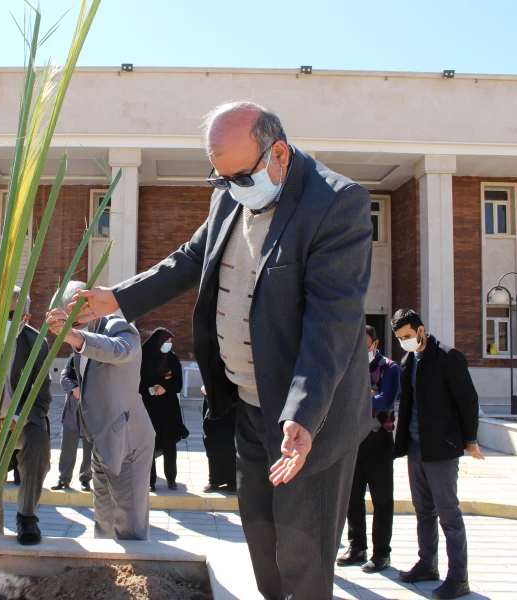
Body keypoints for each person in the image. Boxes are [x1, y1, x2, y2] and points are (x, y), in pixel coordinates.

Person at [70, 101, 373, 598]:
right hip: (251, 405)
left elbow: (332, 324)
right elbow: (191, 259)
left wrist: (303, 413)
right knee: (260, 532)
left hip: (309, 418)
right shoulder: (233, 192)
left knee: (303, 555)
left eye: (238, 175)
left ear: (278, 152)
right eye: (220, 178)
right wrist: (117, 297)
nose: (230, 187)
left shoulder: (337, 204)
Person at [46, 281, 155, 541]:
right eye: (69, 325)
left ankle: (136, 573)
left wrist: (75, 336)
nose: (74, 329)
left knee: (129, 525)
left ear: (87, 308)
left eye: (77, 322)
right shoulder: (80, 336)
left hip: (126, 441)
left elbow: (121, 350)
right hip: (98, 440)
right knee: (103, 521)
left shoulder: (117, 326)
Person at [391, 308, 484, 600]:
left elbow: (468, 400)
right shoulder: (408, 361)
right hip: (416, 447)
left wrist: (470, 439)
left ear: (421, 330)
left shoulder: (447, 357)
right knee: (424, 511)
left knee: (449, 514)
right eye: (399, 338)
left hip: (441, 448)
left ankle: (458, 578)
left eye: (407, 336)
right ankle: (427, 565)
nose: (404, 342)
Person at [0, 288, 52, 546]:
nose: (10, 320)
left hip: (18, 421)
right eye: (4, 314)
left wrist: (10, 422)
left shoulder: (36, 343)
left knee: (38, 439)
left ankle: (27, 516)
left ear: (27, 317)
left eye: (16, 314)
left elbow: (42, 399)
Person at [338, 325, 400, 573]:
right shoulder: (347, 366)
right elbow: (339, 398)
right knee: (353, 498)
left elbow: (386, 400)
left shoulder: (390, 368)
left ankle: (382, 553)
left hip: (379, 442)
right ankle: (357, 547)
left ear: (375, 344)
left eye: (364, 345)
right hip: (353, 442)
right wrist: (370, 395)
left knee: (381, 499)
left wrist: (358, 399)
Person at [139, 328, 188, 491]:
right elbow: (138, 383)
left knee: (169, 444)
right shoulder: (144, 358)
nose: (168, 345)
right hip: (149, 407)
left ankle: (171, 479)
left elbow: (178, 384)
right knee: (149, 444)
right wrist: (153, 389)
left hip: (168, 408)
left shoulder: (172, 359)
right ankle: (150, 480)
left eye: (170, 342)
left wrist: (165, 387)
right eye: (165, 342)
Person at [53, 353, 94, 492]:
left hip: (91, 410)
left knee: (89, 447)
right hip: (72, 409)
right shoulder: (73, 357)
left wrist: (84, 391)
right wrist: (73, 388)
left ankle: (85, 479)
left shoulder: (96, 359)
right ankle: (64, 478)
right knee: (67, 447)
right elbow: (64, 376)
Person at [201, 384, 236, 493]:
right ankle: (214, 481)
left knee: (231, 446)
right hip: (214, 407)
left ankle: (232, 482)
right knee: (212, 445)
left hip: (232, 406)